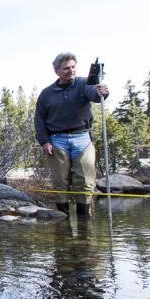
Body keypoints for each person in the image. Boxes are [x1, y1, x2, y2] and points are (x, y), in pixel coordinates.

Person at [34, 52, 108, 217]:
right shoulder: (46, 93)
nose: (71, 71)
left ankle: (84, 223)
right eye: (66, 68)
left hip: (83, 138)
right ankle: (63, 221)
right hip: (56, 140)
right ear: (57, 71)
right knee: (61, 181)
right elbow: (39, 119)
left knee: (86, 181)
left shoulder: (84, 83)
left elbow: (94, 94)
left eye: (73, 67)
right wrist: (44, 141)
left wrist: (102, 92)